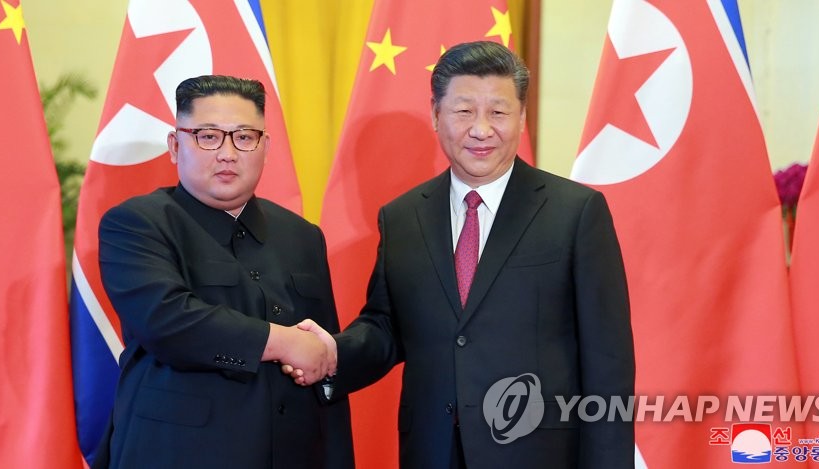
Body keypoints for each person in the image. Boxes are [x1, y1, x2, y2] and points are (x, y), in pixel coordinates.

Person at [291, 41, 635, 468]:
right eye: (464, 111)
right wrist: (334, 354)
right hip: (432, 450)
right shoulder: (402, 218)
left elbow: (608, 362)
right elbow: (386, 327)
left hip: (536, 452)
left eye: (498, 112)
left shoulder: (575, 213)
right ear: (437, 115)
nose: (481, 129)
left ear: (521, 117)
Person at [94, 75, 353, 469]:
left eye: (244, 137)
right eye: (208, 137)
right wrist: (282, 342)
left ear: (265, 148)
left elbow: (320, 361)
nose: (228, 153)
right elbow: (167, 322)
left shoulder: (302, 236)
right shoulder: (137, 224)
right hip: (177, 453)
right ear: (175, 146)